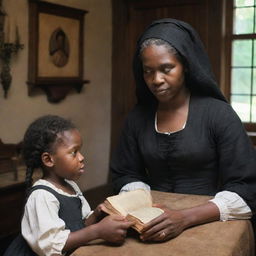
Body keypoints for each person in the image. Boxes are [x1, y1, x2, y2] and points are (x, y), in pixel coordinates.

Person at [110, 18, 256, 242]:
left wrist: (184, 218)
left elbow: (247, 188)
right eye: (148, 71)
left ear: (186, 66)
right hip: (152, 225)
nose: (156, 80)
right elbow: (125, 172)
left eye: (166, 68)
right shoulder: (137, 118)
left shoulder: (219, 115)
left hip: (211, 220)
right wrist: (141, 204)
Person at [4, 115, 133, 256]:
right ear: (48, 159)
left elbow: (79, 227)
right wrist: (97, 231)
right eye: (74, 152)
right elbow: (50, 245)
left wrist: (96, 215)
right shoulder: (42, 196)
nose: (81, 157)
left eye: (80, 151)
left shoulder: (71, 186)